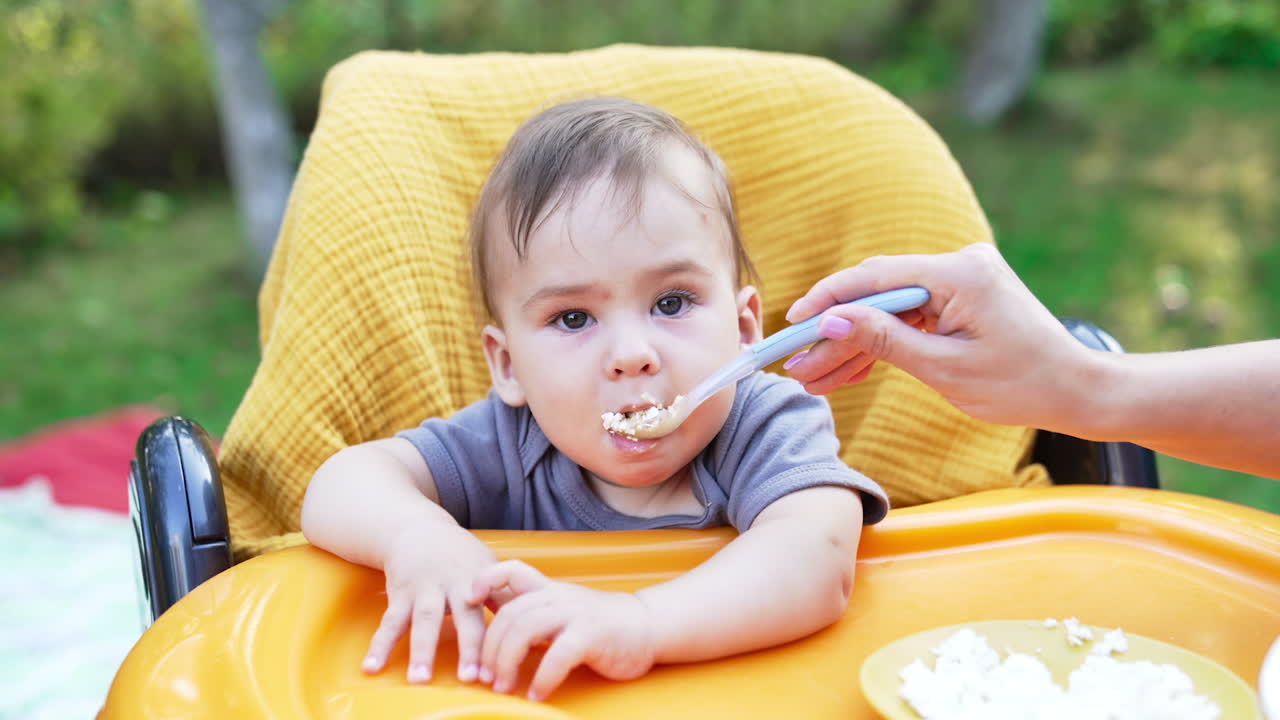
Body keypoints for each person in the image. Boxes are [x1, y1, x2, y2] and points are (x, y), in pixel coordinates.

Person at [299, 97, 889, 702]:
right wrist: (415, 536)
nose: (631, 353)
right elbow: (340, 482)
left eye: (672, 303)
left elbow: (816, 560)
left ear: (743, 330)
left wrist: (639, 622)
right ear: (509, 366)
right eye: (574, 317)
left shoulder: (763, 423)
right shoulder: (510, 442)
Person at [782, 242, 1280, 480]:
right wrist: (1084, 387)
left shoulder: (775, 431)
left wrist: (1080, 386)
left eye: (697, 298)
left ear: (747, 321)